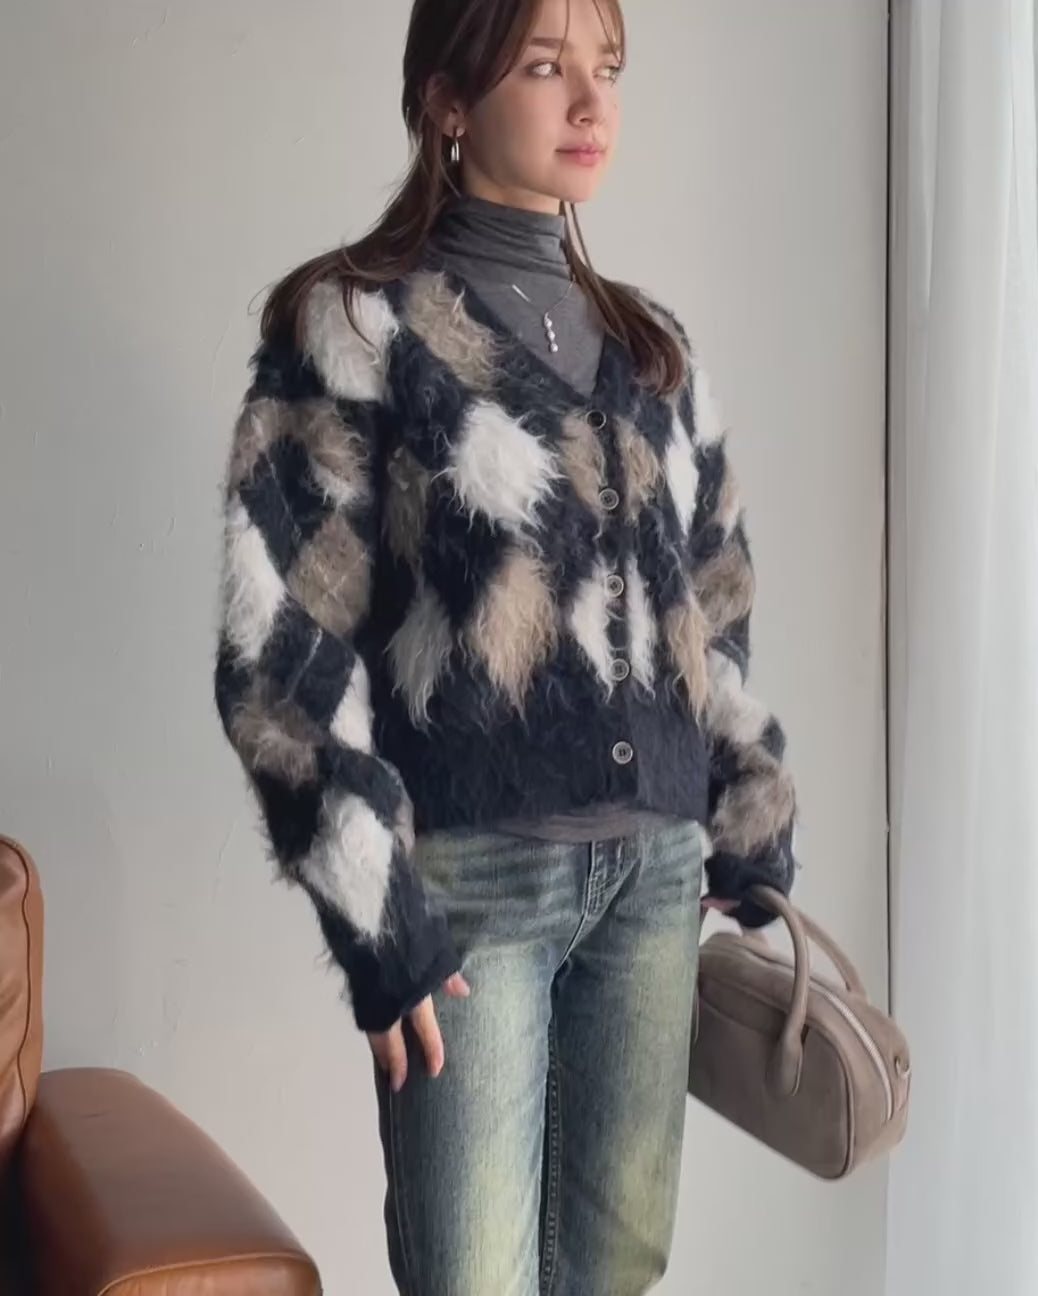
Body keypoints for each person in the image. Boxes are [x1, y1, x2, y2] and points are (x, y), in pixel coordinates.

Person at [213, 0, 798, 1291]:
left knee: (618, 1273)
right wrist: (378, 916)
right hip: (470, 893)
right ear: (447, 101)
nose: (591, 103)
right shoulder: (354, 328)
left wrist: (746, 806)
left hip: (654, 885)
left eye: (607, 68)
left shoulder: (655, 353)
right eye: (545, 66)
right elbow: (280, 651)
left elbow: (715, 602)